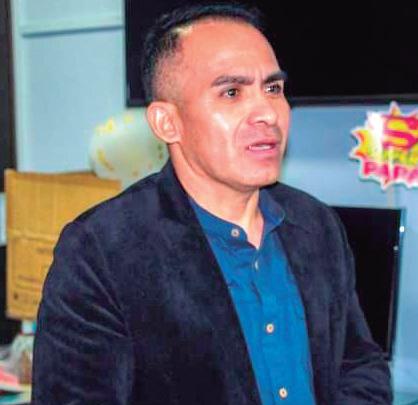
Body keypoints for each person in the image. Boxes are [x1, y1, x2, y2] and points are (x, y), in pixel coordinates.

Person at [32, 3, 392, 404]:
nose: (267, 113)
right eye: (232, 93)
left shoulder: (315, 223)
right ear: (167, 122)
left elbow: (359, 365)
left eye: (273, 89)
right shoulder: (101, 250)